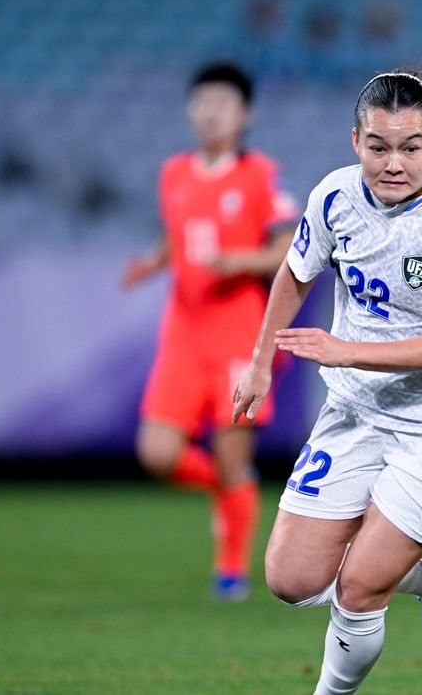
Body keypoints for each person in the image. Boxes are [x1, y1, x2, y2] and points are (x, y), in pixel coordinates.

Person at [231, 70, 422, 694]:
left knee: (357, 587)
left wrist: (344, 351)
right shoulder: (334, 197)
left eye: (409, 147)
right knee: (292, 579)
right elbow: (296, 273)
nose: (393, 162)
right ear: (356, 141)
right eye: (378, 146)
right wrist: (261, 359)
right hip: (357, 414)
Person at [121, 61, 299, 601]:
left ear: (244, 113)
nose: (211, 111)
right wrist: (153, 262)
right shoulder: (174, 171)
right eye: (203, 101)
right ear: (190, 109)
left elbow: (288, 246)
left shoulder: (262, 175)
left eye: (223, 102)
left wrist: (241, 260)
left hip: (239, 334)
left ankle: (231, 570)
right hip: (183, 332)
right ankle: (230, 492)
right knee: (156, 453)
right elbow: (180, 234)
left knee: (231, 454)